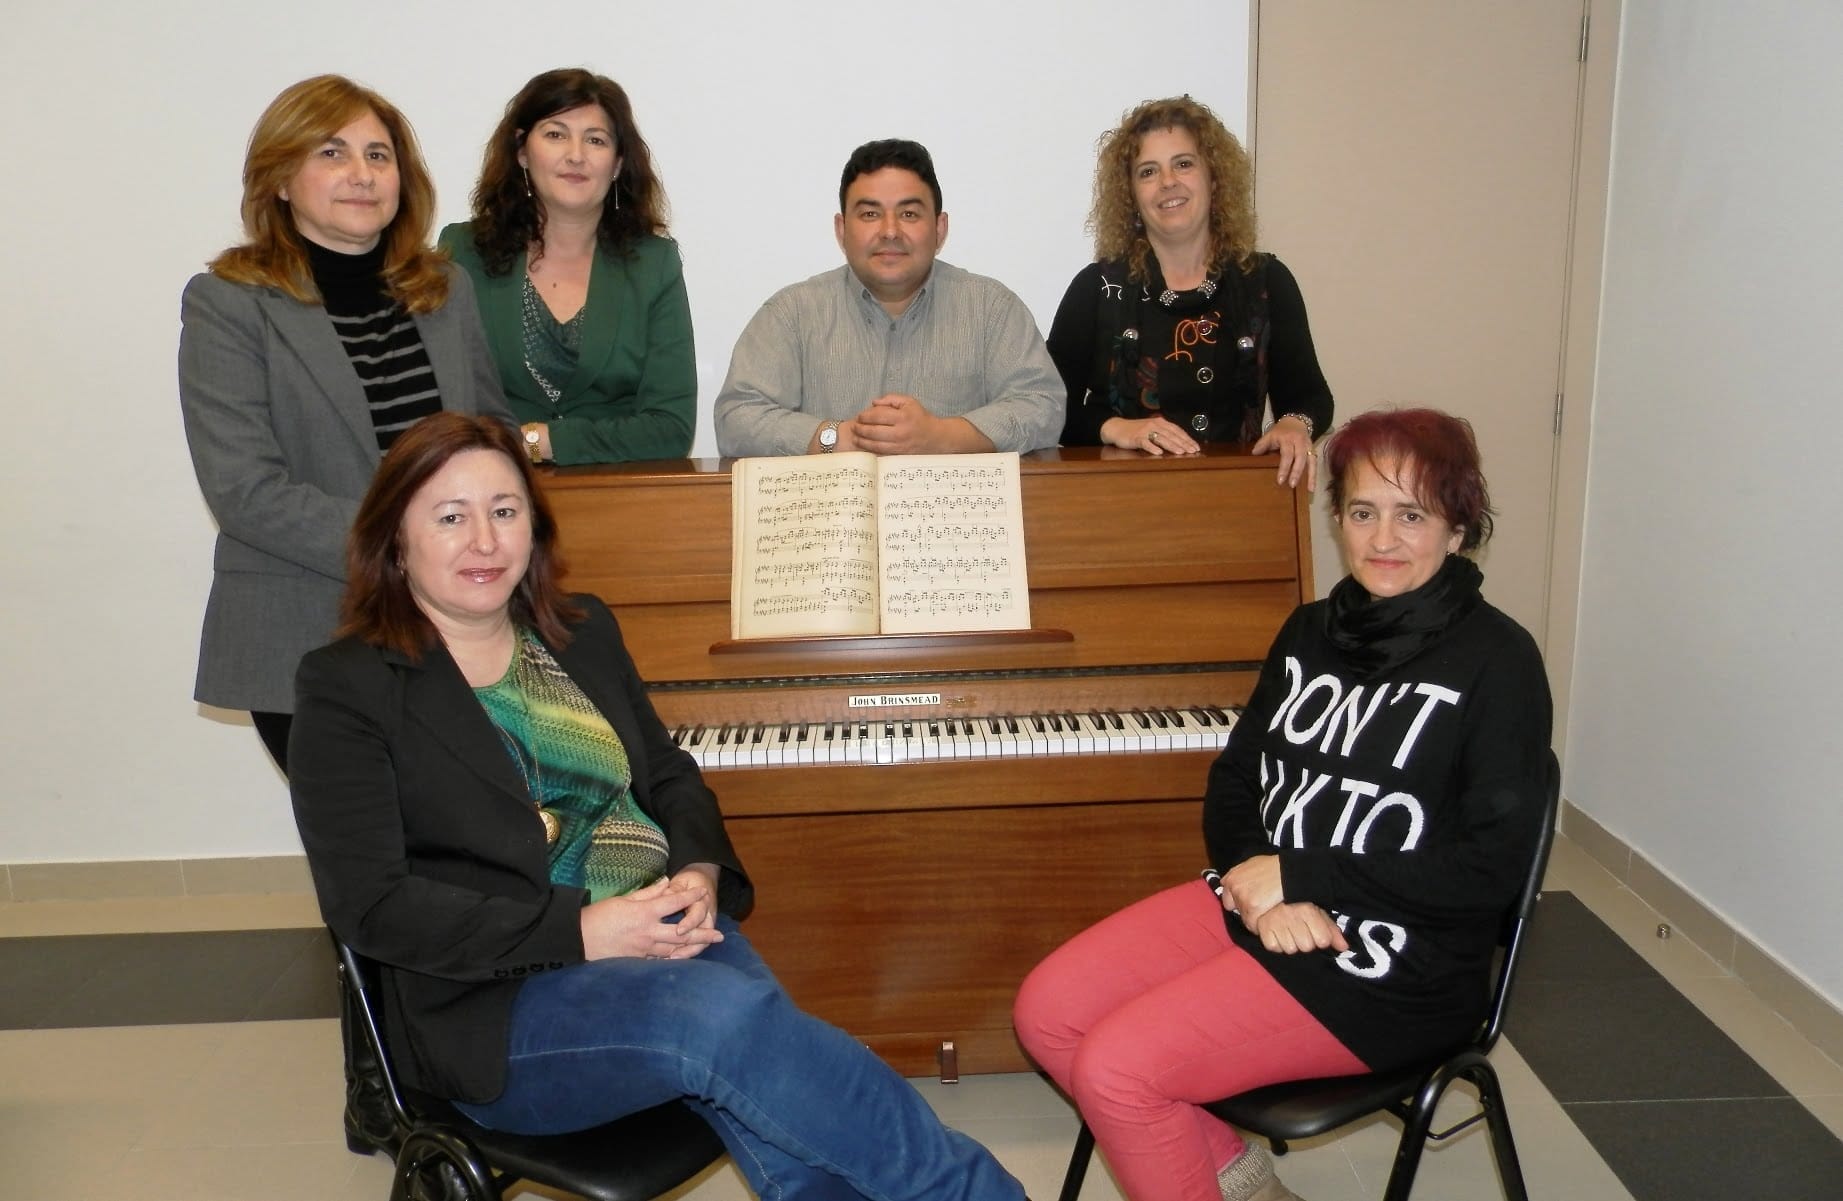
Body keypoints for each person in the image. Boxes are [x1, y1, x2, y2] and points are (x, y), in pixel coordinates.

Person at [288, 411, 1028, 1201]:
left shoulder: (580, 631)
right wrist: (582, 929)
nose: (484, 540)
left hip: (664, 930)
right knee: (740, 1029)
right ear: (394, 538)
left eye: (505, 511)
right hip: (500, 1006)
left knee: (787, 1091)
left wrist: (698, 867)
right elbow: (371, 905)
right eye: (450, 516)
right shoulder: (348, 687)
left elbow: (668, 772)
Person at [1013, 408, 1551, 1201]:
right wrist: (1252, 878)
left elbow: (1489, 871)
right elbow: (1236, 778)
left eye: (1412, 515)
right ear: (1335, 518)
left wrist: (1301, 876)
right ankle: (1238, 1180)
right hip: (1265, 898)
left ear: (1458, 528)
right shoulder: (1308, 631)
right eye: (1362, 512)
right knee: (1048, 1012)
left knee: (1118, 1068)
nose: (1382, 539)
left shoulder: (1497, 661)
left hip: (1397, 963)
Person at [178, 74, 511, 775]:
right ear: (279, 178)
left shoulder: (446, 289)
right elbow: (244, 490)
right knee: (367, 861)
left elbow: (491, 433)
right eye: (332, 153)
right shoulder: (229, 304)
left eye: (378, 156)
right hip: (307, 627)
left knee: (464, 849)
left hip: (454, 625)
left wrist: (484, 536)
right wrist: (408, 548)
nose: (361, 174)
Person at [714, 138, 1064, 458]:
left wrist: (941, 436)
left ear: (940, 228)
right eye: (870, 214)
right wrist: (837, 437)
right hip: (831, 523)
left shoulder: (992, 309)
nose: (890, 231)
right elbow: (736, 418)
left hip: (951, 523)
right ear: (841, 229)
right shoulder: (791, 314)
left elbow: (1043, 404)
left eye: (909, 214)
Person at [1049, 97, 1332, 489]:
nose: (1168, 182)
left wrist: (1293, 423)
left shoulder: (1267, 281)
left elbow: (1310, 396)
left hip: (1238, 504)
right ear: (1131, 194)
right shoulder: (1095, 289)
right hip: (1118, 509)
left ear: (1213, 177)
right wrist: (1116, 428)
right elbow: (1045, 407)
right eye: (1148, 171)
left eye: (1183, 164)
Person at [440, 69, 694, 466]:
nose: (576, 154)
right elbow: (444, 405)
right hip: (490, 497)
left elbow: (672, 428)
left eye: (596, 140)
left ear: (617, 163)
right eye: (556, 134)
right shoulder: (463, 252)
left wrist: (540, 440)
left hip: (621, 502)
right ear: (522, 150)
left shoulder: (653, 264)